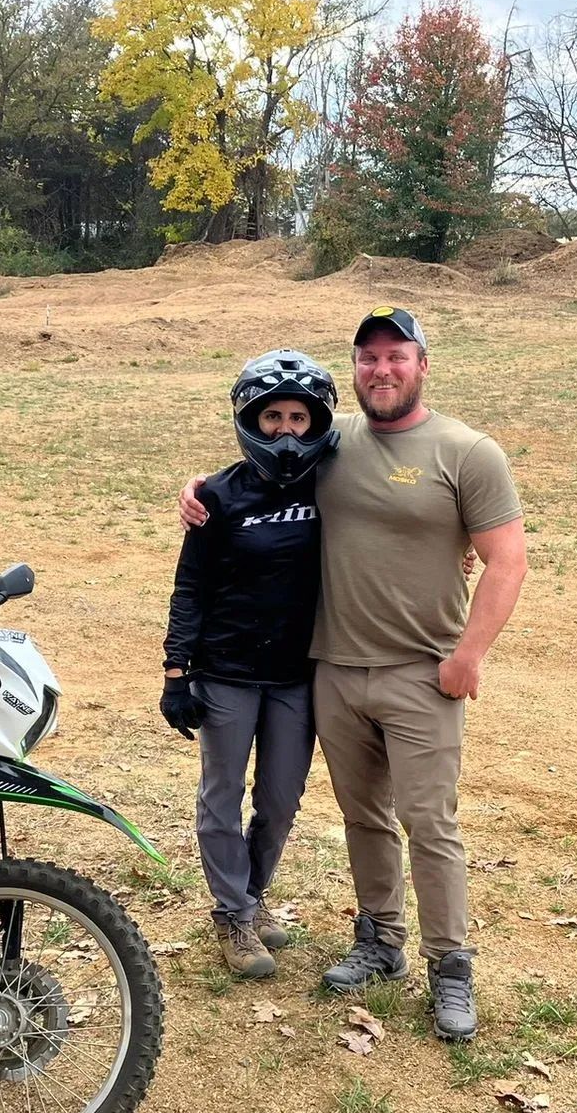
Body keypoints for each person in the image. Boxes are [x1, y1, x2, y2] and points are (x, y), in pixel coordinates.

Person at [180, 306, 527, 1042]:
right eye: (368, 359)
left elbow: (508, 559)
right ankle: (379, 941)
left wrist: (469, 656)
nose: (382, 370)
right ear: (355, 373)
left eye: (396, 356)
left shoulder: (467, 452)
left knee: (430, 824)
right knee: (363, 817)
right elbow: (259, 467)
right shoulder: (329, 448)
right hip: (331, 671)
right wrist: (196, 489)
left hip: (421, 673)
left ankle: (451, 967)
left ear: (422, 363)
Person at [161, 350, 341, 980]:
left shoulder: (335, 486)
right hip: (226, 671)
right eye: (272, 417)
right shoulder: (217, 496)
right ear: (248, 418)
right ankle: (233, 914)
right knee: (222, 795)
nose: (286, 431)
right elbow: (190, 587)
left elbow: (406, 502)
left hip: (298, 672)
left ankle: (252, 893)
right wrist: (176, 673)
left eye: (299, 416)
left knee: (282, 797)